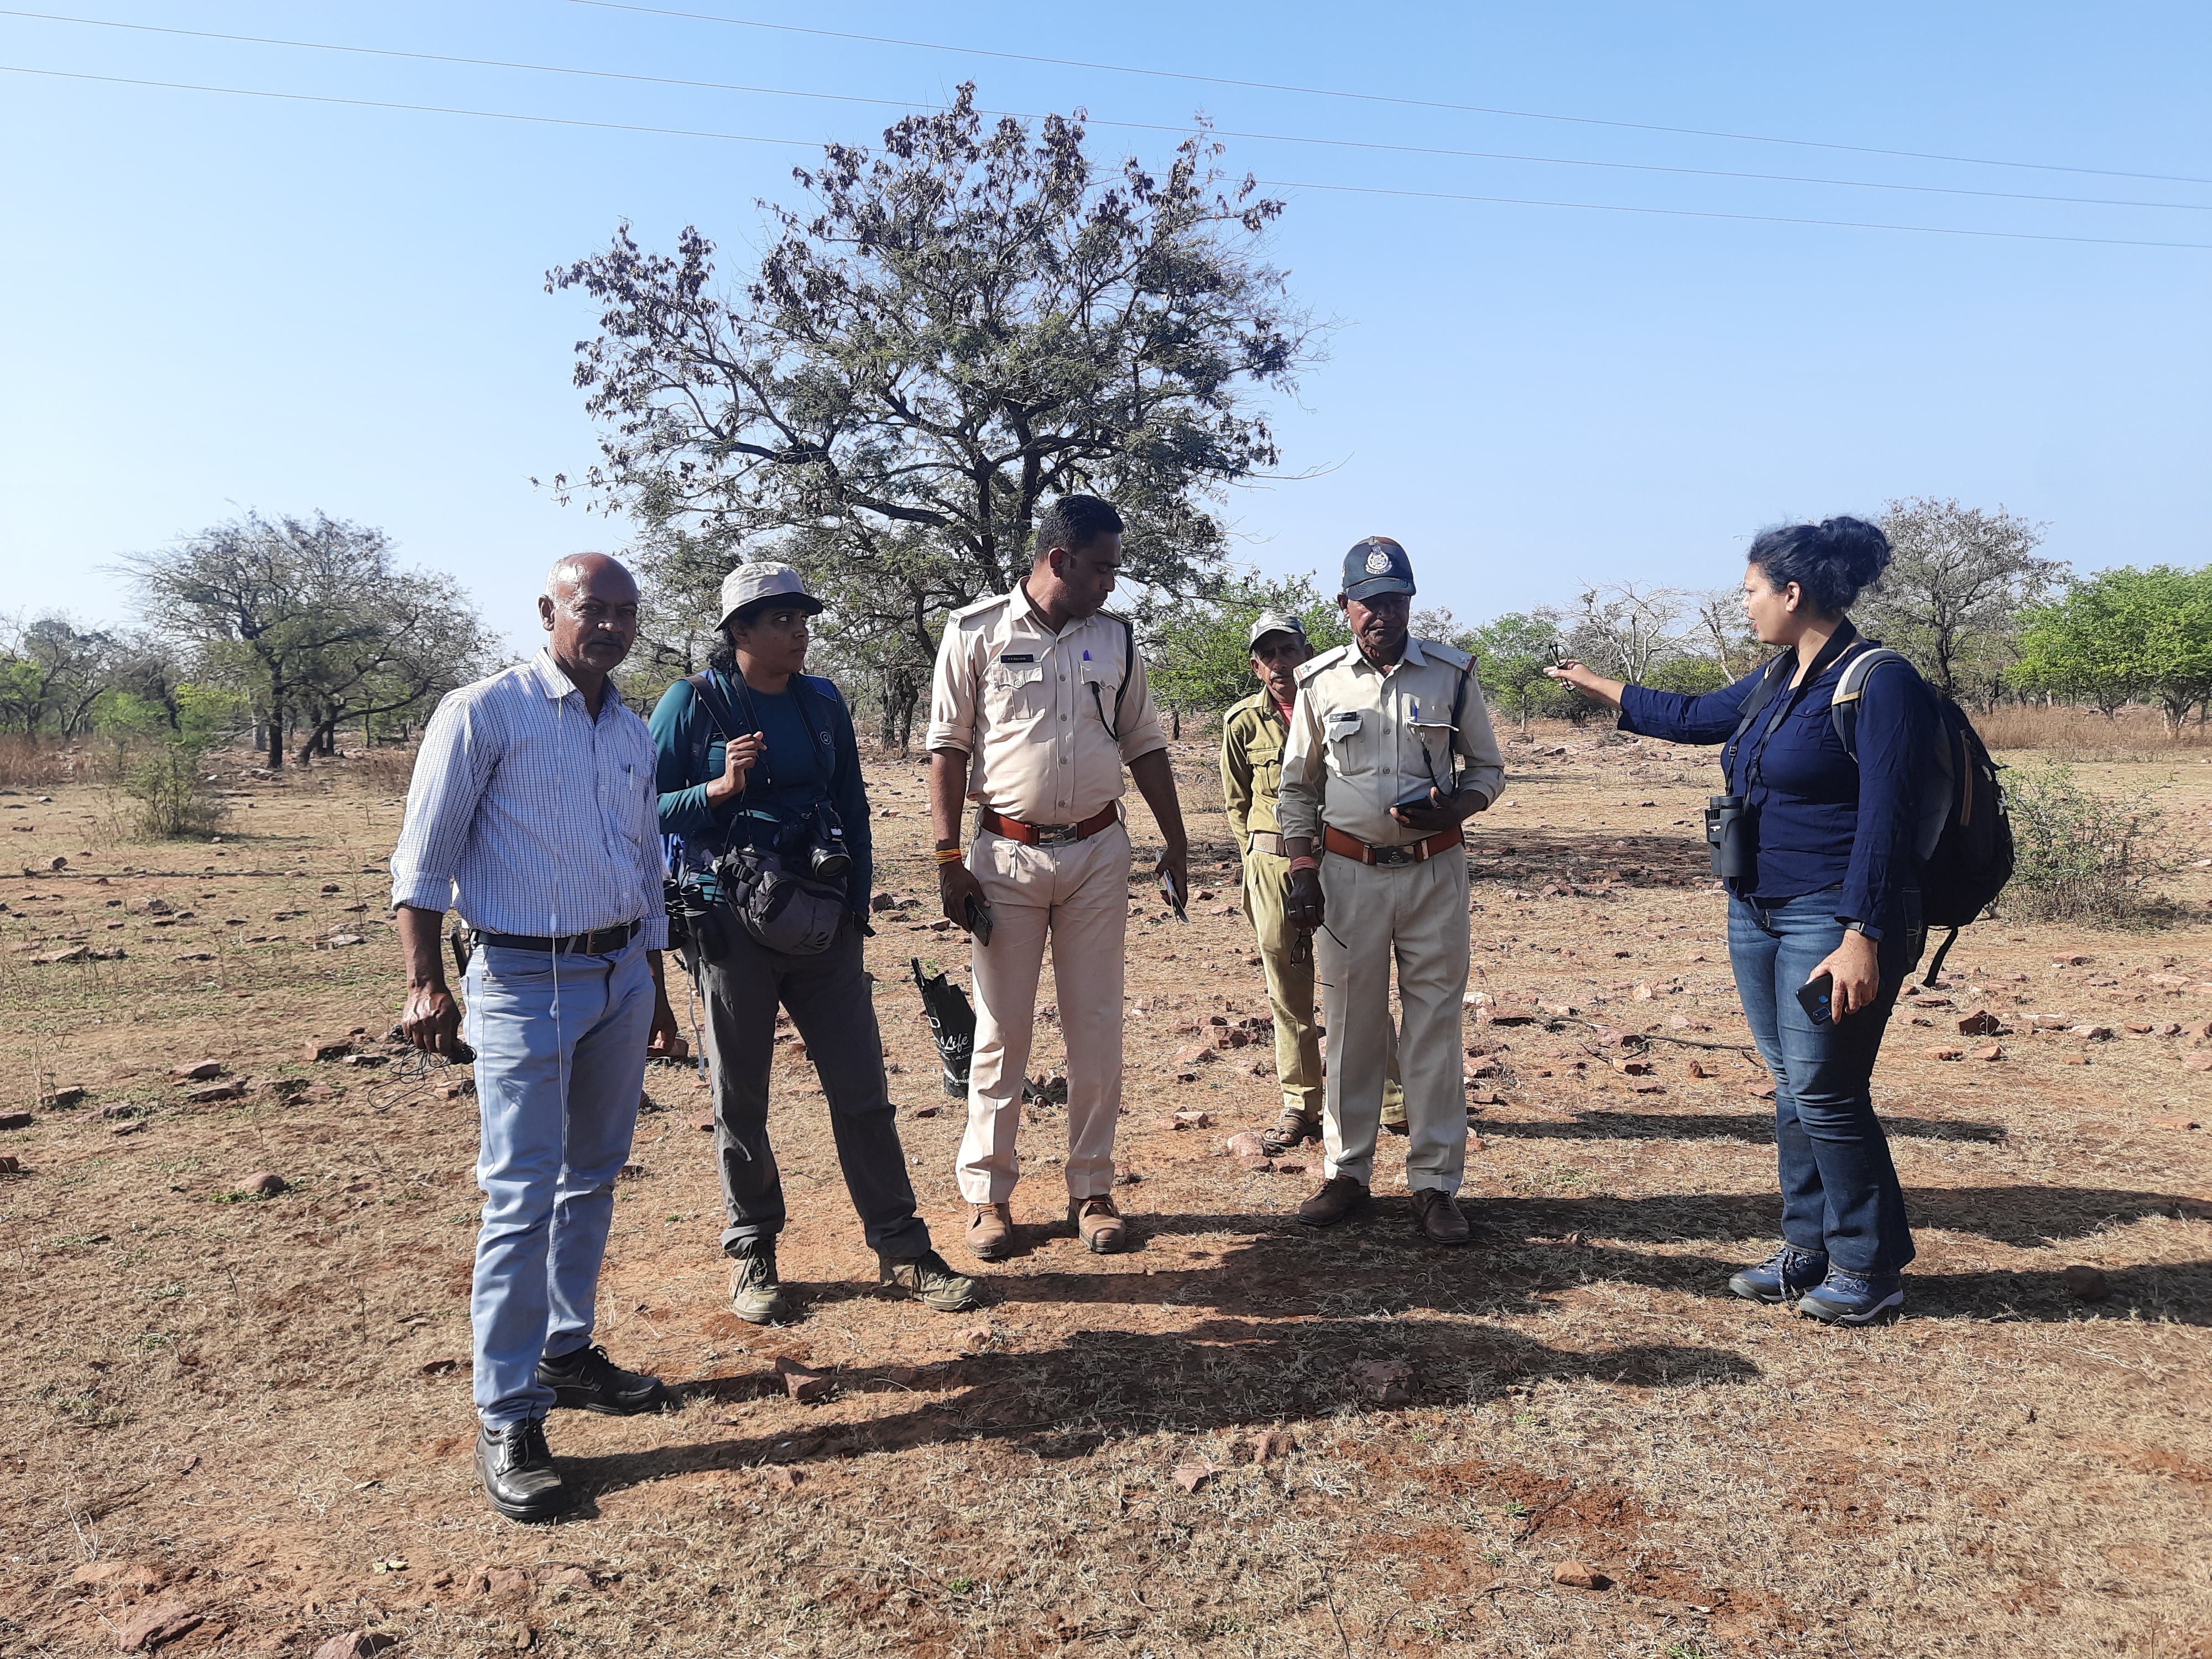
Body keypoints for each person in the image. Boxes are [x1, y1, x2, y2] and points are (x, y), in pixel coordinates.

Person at [1547, 517, 1927, 1326]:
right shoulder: (1775, 677)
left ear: (1794, 592)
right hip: (1757, 909)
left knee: (1827, 1091)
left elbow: (1889, 819)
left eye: (1752, 589)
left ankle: (1871, 1264)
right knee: (1793, 1085)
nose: (1744, 602)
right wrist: (1599, 683)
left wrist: (1863, 934)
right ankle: (1810, 1247)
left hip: (1833, 916)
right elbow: (1689, 718)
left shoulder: (1878, 679)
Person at [390, 554, 684, 1525]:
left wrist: (655, 980)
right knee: (520, 1194)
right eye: (590, 610)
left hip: (617, 977)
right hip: (520, 979)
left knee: (592, 1178)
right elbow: (423, 860)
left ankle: (567, 1352)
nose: (607, 627)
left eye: (624, 614)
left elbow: (643, 860)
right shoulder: (484, 712)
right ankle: (508, 1412)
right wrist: (426, 982)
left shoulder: (633, 731)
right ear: (549, 612)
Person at [650, 562, 979, 1324]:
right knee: (741, 1097)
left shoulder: (822, 701)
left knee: (864, 1091)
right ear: (739, 632)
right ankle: (753, 1249)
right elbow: (643, 805)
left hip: (822, 921)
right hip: (730, 925)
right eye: (781, 620)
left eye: (803, 618)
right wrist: (717, 793)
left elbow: (851, 807)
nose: (798, 632)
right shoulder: (691, 704)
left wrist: (856, 907)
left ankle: (903, 1248)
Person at [928, 494, 1191, 1260]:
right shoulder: (974, 633)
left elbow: (1144, 742)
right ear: (1059, 560)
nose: (1112, 583)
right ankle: (987, 1196)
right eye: (1103, 568)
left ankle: (1092, 1188)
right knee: (1001, 1032)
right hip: (1003, 859)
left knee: (1096, 1027)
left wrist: (1174, 840)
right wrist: (950, 860)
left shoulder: (1115, 640)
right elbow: (948, 749)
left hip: (1099, 852)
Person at [1278, 538, 1506, 1245]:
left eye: (1395, 600)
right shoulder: (1318, 683)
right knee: (1350, 1028)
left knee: (1434, 1027)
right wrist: (1301, 870)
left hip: (1435, 871)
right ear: (1345, 606)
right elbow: (1295, 789)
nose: (1383, 613)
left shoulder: (1451, 674)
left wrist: (1456, 809)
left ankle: (1435, 1185)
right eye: (1369, 601)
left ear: (1412, 602)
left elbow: (1488, 770)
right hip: (1346, 877)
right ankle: (1346, 1174)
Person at [1219, 611, 1406, 1155]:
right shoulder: (1241, 724)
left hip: (1341, 865)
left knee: (1361, 984)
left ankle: (1395, 1104)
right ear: (1256, 666)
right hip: (1272, 869)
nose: (1280, 663)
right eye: (1269, 654)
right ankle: (1300, 1106)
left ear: (1307, 653)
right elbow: (1236, 806)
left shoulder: (1340, 710)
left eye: (1289, 650)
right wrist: (1259, 861)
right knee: (1288, 990)